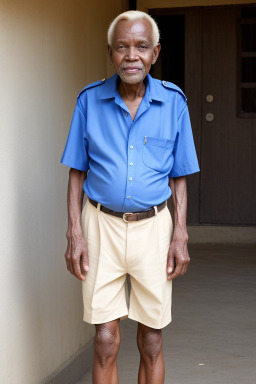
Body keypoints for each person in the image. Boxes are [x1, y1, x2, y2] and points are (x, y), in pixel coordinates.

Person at [60, 10, 200, 384]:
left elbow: (179, 176)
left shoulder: (174, 103)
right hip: (100, 226)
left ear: (155, 52)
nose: (131, 56)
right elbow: (76, 172)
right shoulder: (89, 101)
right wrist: (74, 233)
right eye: (122, 47)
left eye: (140, 47)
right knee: (105, 338)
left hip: (154, 227)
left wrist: (180, 234)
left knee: (152, 338)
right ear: (111, 53)